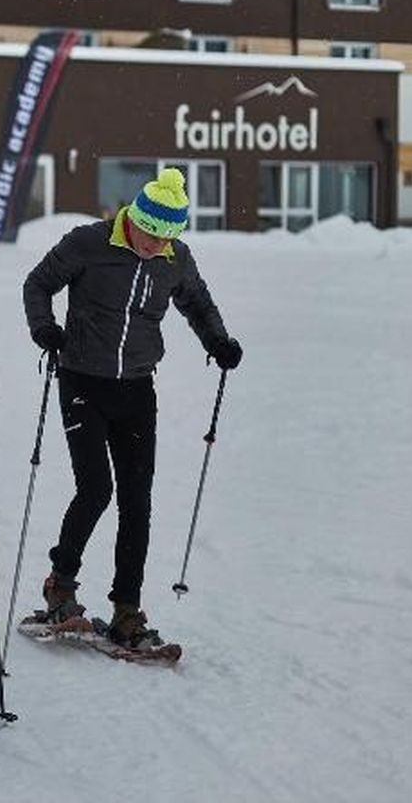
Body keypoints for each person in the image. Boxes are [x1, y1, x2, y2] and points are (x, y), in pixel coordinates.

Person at [22, 167, 242, 650]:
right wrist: (45, 330)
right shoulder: (89, 242)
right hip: (82, 378)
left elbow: (198, 305)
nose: (152, 245)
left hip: (137, 387)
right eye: (148, 233)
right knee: (96, 486)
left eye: (164, 237)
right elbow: (38, 284)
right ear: (133, 219)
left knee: (136, 500)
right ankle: (60, 585)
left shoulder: (175, 258)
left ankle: (127, 610)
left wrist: (218, 342)